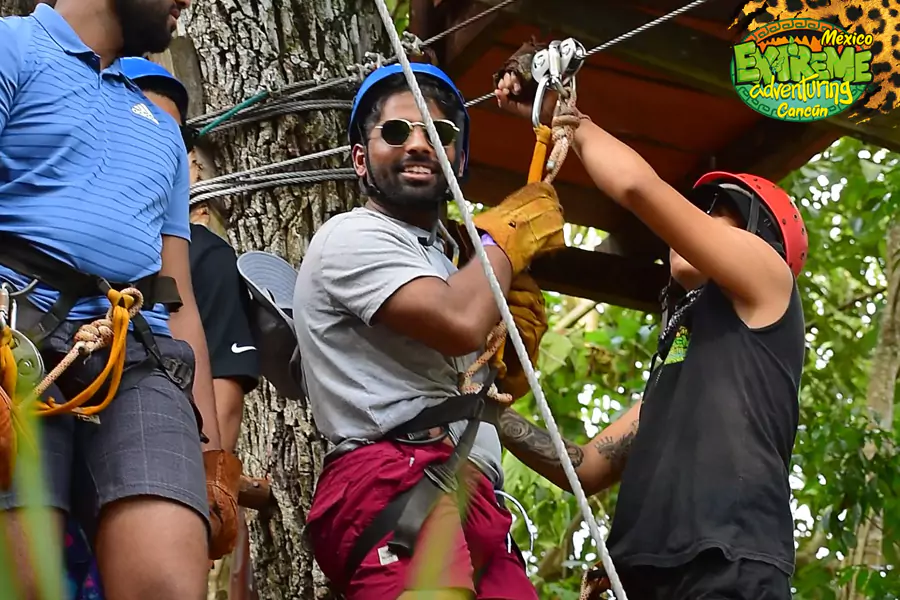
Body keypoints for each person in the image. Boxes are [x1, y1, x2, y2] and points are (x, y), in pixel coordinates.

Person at [490, 47, 807, 599]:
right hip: (643, 579)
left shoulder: (769, 283)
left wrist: (567, 116)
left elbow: (640, 189)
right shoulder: (680, 369)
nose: (693, 223)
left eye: (715, 212)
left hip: (727, 568)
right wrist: (489, 413)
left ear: (760, 234)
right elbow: (585, 467)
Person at [293, 62, 565, 599]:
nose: (418, 144)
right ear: (360, 160)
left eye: (439, 134)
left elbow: (480, 367)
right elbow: (460, 323)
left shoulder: (452, 262)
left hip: (472, 488)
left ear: (459, 158)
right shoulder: (349, 236)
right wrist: (505, 237)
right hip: (394, 477)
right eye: (396, 132)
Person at [0, 2, 243, 599]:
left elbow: (177, 297)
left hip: (135, 354)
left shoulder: (160, 128)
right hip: (13, 329)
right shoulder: (11, 48)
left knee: (166, 581)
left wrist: (214, 460)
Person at [117, 56, 263, 453]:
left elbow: (223, 390)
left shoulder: (204, 256)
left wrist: (212, 478)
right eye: (139, 126)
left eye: (171, 140)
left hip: (157, 442)